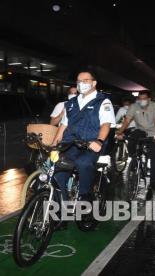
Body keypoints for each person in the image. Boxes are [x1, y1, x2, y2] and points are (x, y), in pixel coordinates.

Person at [52, 70, 115, 201]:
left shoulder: (103, 101)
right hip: (71, 143)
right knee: (59, 172)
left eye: (85, 81)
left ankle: (85, 196)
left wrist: (99, 141)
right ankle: (61, 210)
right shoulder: (71, 103)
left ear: (94, 83)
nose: (81, 84)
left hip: (91, 144)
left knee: (83, 162)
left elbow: (106, 124)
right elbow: (63, 125)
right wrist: (54, 144)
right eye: (79, 81)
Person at [116, 90, 155, 188]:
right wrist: (120, 132)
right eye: (139, 99)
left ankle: (153, 182)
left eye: (144, 99)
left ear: (149, 99)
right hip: (140, 130)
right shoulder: (134, 106)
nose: (142, 101)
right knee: (131, 142)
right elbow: (127, 120)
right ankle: (135, 159)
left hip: (153, 132)